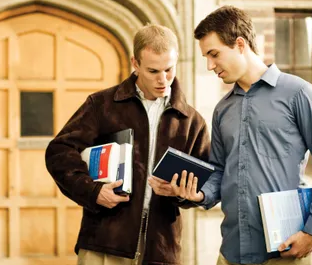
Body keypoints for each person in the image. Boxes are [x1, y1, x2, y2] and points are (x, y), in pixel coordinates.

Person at [178, 6, 312, 265]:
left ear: (240, 44)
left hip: (288, 250)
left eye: (214, 54)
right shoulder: (223, 109)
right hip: (232, 252)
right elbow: (220, 169)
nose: (210, 65)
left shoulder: (300, 93)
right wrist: (198, 195)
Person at [45, 24, 210, 265]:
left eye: (169, 69)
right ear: (135, 63)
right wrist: (93, 191)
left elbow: (205, 182)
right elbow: (59, 152)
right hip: (105, 242)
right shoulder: (101, 105)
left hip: (161, 249)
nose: (163, 79)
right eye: (153, 70)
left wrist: (186, 195)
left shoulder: (191, 121)